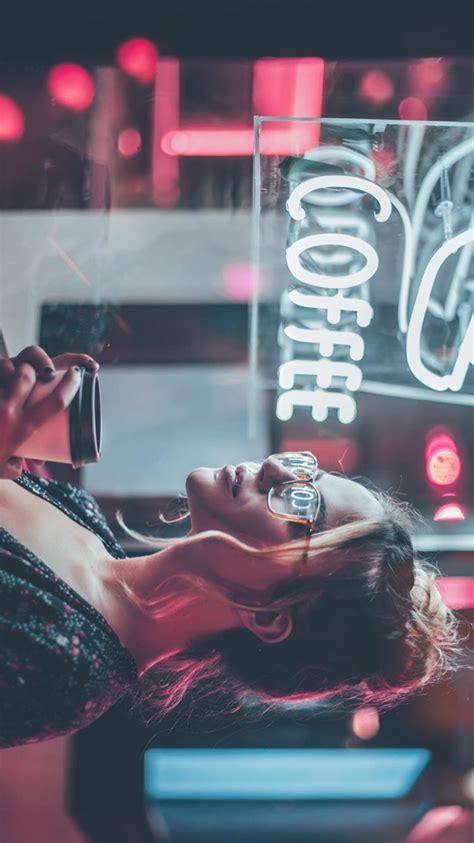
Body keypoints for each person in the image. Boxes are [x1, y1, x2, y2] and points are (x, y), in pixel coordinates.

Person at [0, 345, 465, 748]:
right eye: (306, 471)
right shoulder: (83, 515)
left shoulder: (68, 669)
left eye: (303, 503)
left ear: (266, 613)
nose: (274, 470)